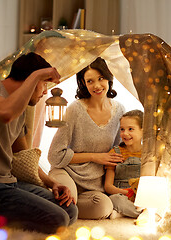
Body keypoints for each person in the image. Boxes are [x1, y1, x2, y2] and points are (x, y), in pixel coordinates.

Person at [0, 52, 78, 234]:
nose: (45, 92)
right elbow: (5, 113)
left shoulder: (20, 109)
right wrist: (37, 75)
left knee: (69, 210)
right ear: (30, 79)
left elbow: (23, 157)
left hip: (7, 184)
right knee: (57, 220)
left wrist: (53, 183)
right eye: (44, 84)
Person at [48, 57, 125, 219]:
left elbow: (118, 150)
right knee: (69, 198)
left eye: (101, 78)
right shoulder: (74, 110)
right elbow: (55, 156)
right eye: (90, 81)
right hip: (66, 173)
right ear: (83, 83)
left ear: (109, 78)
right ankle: (58, 201)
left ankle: (58, 203)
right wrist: (95, 157)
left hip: (94, 186)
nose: (97, 85)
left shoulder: (120, 110)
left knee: (104, 207)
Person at [104, 110, 143, 219]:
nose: (125, 133)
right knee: (114, 199)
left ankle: (123, 213)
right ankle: (142, 214)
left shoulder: (148, 154)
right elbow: (108, 186)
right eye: (122, 129)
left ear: (143, 131)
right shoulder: (115, 152)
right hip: (121, 194)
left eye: (130, 129)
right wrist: (126, 192)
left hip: (140, 194)